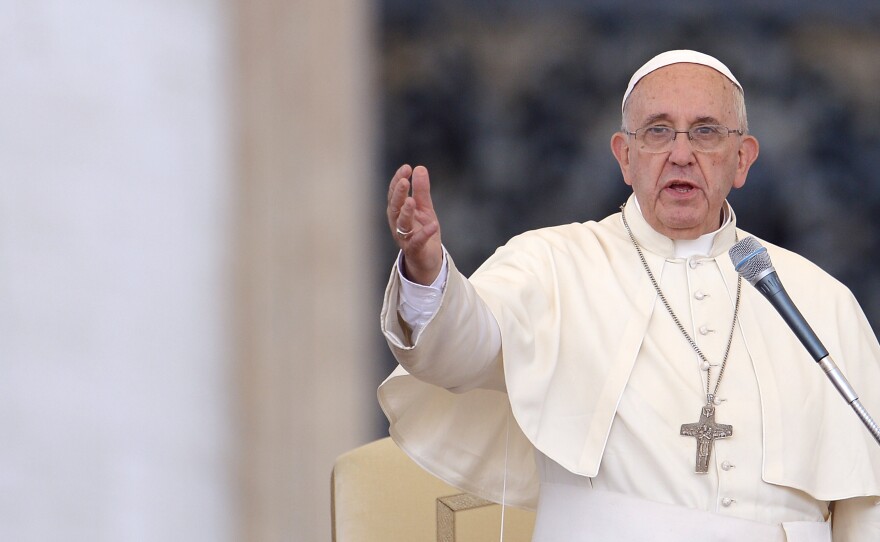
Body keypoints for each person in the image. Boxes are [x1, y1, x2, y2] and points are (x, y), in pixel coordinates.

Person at [378, 50, 880, 541]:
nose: (681, 154)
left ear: (742, 159)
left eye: (705, 132)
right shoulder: (551, 264)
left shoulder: (818, 299)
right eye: (658, 131)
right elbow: (461, 351)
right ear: (625, 156)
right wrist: (427, 274)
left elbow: (866, 501)